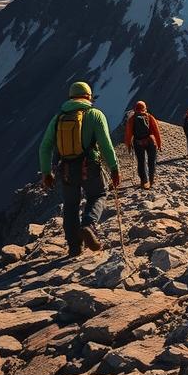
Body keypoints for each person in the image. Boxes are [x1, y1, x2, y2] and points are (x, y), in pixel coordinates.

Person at [38, 81, 121, 257]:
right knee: (97, 195)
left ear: (70, 96)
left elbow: (45, 147)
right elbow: (105, 144)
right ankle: (89, 225)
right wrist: (114, 167)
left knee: (70, 205)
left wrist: (47, 173)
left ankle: (74, 247)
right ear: (89, 96)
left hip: (66, 168)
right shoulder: (94, 114)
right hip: (89, 166)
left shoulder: (58, 118)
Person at [125, 101, 162, 189]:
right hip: (150, 141)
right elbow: (156, 131)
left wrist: (128, 145)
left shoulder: (132, 119)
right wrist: (159, 143)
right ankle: (152, 179)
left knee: (141, 162)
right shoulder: (149, 117)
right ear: (145, 108)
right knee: (151, 161)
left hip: (138, 142)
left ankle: (144, 181)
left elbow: (128, 133)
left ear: (135, 108)